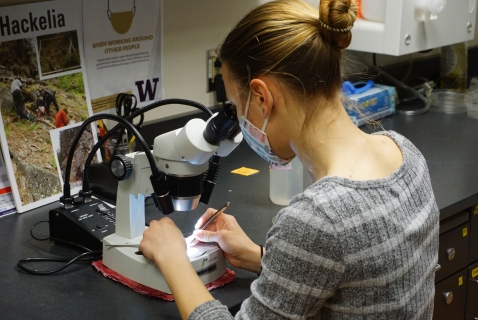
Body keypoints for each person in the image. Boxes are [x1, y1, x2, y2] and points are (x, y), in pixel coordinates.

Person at [139, 0, 439, 319]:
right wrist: (258, 257)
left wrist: (174, 260)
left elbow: (328, 237)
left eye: (236, 107)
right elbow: (360, 276)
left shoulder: (318, 218)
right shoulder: (404, 152)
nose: (240, 120)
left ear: (262, 98)